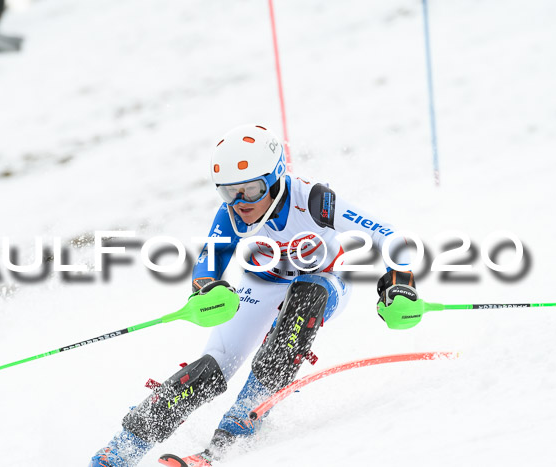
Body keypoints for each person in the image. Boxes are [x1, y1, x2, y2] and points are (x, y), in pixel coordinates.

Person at [90, 124, 418, 467]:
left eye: (252, 189)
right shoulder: (229, 216)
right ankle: (121, 449)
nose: (241, 202)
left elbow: (391, 237)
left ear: (276, 178)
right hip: (261, 285)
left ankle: (244, 420)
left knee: (306, 294)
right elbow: (207, 267)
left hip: (326, 280)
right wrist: (207, 291)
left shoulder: (316, 201)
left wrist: (400, 280)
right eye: (229, 192)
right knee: (210, 365)